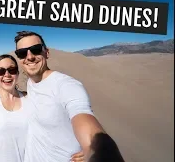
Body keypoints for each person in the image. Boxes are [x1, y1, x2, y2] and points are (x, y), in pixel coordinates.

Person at [13, 31, 125, 162]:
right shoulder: (31, 82)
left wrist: (95, 149)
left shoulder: (66, 86)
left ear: (46, 52)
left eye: (36, 50)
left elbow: (83, 117)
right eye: (22, 53)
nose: (29, 57)